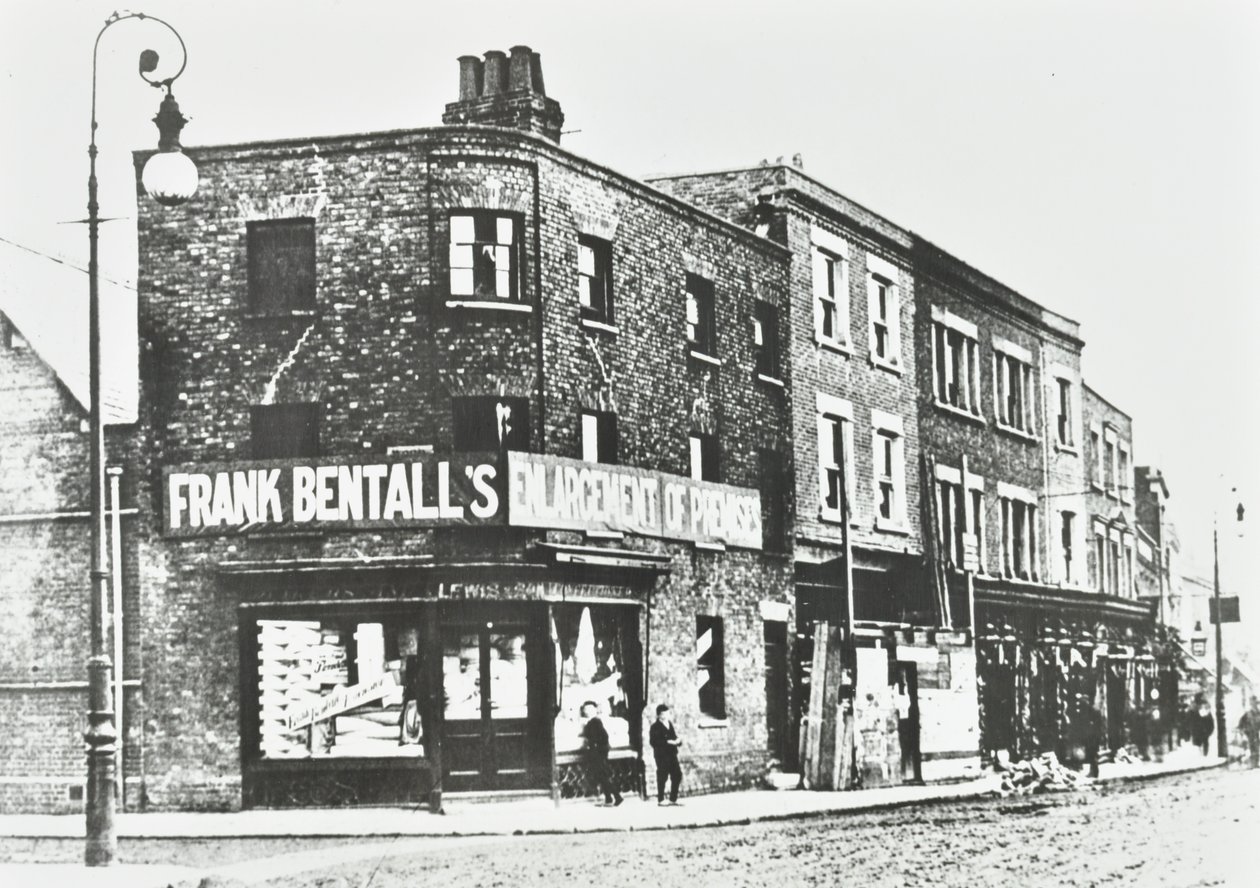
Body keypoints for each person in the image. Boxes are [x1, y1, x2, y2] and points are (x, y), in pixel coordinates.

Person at [580, 700, 622, 806]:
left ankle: (617, 796)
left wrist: (595, 746)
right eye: (586, 709)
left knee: (603, 775)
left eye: (590, 709)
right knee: (601, 775)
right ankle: (608, 798)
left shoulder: (595, 722)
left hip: (598, 752)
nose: (587, 711)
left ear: (595, 710)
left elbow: (603, 736)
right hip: (598, 751)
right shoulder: (592, 722)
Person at [649, 703, 684, 806]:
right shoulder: (655, 727)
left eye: (667, 713)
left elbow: (673, 736)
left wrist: (678, 740)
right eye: (664, 714)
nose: (666, 716)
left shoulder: (669, 724)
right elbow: (653, 742)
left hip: (672, 754)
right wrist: (668, 742)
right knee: (662, 776)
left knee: (677, 775)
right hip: (662, 756)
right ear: (659, 715)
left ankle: (673, 799)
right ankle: (661, 799)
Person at [1238, 698, 1260, 769]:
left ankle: (1256, 763)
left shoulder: (1259, 713)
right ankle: (1252, 764)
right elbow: (1241, 723)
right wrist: (1242, 731)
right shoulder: (1247, 714)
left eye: (1256, 704)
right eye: (1253, 704)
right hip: (1249, 734)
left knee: (1256, 748)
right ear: (1251, 705)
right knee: (1250, 748)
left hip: (1257, 733)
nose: (1255, 705)